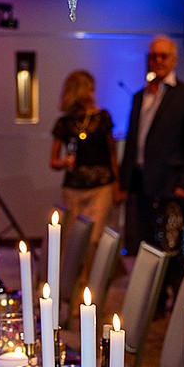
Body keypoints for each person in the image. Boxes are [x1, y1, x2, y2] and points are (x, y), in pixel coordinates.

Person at [119, 36, 184, 252]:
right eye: (153, 56)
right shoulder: (140, 96)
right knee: (144, 241)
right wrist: (124, 182)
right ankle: (152, 286)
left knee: (169, 244)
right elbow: (132, 141)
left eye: (163, 56)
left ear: (174, 60)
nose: (158, 60)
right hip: (141, 182)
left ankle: (170, 285)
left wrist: (183, 184)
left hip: (170, 183)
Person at [50, 70, 120, 264]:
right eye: (89, 88)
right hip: (74, 188)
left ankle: (92, 285)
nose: (92, 93)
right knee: (75, 239)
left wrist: (118, 186)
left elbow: (112, 154)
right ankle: (77, 285)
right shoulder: (64, 123)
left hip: (101, 185)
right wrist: (64, 162)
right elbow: (53, 161)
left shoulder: (103, 117)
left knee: (94, 238)